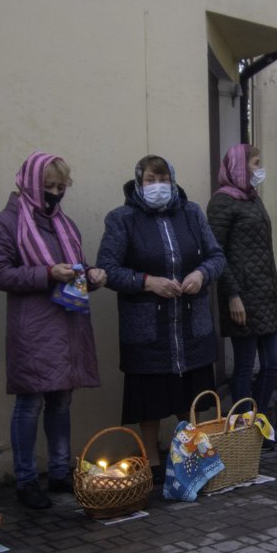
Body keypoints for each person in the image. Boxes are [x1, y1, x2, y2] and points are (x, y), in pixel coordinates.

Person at [0, 152, 106, 510]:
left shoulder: (65, 224)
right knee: (30, 402)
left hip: (68, 323)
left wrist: (93, 274)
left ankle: (58, 471)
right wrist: (47, 274)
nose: (54, 194)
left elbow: (73, 269)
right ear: (29, 184)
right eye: (48, 187)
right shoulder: (4, 223)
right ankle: (25, 480)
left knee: (62, 400)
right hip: (34, 327)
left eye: (60, 187)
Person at [97, 155, 225, 481]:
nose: (157, 186)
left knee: (189, 398)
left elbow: (216, 256)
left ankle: (190, 458)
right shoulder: (122, 219)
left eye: (163, 179)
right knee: (150, 399)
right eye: (150, 180)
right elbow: (107, 269)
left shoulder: (192, 212)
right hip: (148, 327)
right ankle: (151, 463)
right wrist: (147, 282)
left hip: (189, 321)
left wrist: (200, 274)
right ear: (139, 183)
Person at [206, 144, 277, 425]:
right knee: (244, 364)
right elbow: (216, 252)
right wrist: (232, 295)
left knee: (273, 361)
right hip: (242, 296)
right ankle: (243, 425)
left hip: (266, 295)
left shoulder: (253, 199)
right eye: (255, 163)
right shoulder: (221, 202)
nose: (258, 169)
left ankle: (259, 420)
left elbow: (264, 250)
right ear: (240, 167)